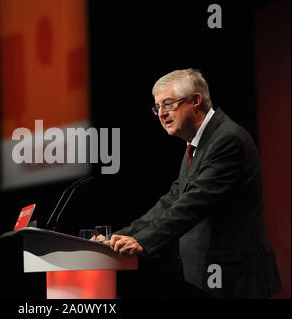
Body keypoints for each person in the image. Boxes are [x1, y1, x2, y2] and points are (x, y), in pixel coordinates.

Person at [104, 69, 282, 298]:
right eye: (157, 107)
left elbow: (193, 203)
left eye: (168, 104)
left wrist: (143, 242)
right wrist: (118, 237)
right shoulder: (198, 142)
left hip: (234, 281)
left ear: (196, 101)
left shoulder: (227, 140)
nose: (161, 114)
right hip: (206, 279)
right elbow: (172, 200)